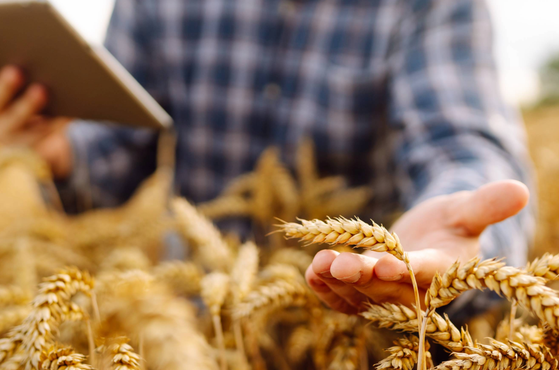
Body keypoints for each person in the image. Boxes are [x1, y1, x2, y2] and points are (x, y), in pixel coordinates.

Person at [0, 0, 534, 316]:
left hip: (366, 326)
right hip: (199, 325)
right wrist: (55, 152)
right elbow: (116, 151)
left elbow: (461, 143)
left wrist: (464, 235)